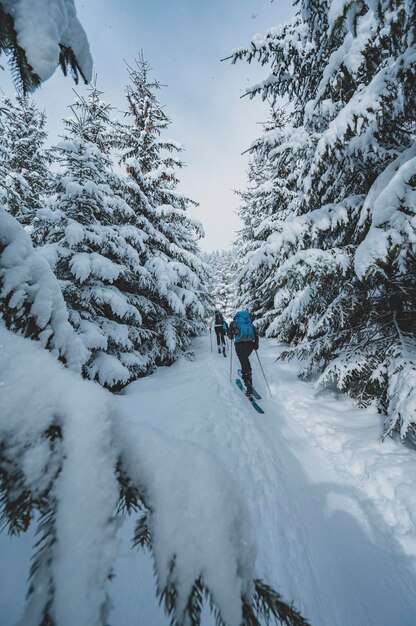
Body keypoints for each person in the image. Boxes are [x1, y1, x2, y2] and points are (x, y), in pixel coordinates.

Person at [228, 309, 259, 397]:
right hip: (250, 345)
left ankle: (248, 382)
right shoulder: (249, 323)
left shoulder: (234, 323)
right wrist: (256, 344)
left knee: (243, 361)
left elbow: (230, 337)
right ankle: (248, 374)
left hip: (239, 345)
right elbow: (256, 334)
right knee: (245, 359)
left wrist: (232, 333)